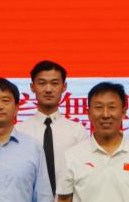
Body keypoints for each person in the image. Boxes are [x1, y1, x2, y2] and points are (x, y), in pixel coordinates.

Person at [17, 60, 90, 194]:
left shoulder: (77, 131)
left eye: (55, 83)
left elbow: (85, 174)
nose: (48, 89)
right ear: (32, 87)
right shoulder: (19, 131)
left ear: (64, 87)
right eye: (42, 83)